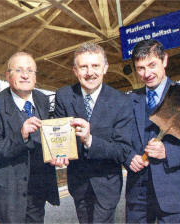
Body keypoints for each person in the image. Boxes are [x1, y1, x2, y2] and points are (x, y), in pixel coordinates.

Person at [53, 43, 133, 223]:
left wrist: (89, 140)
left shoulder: (121, 101)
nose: (90, 72)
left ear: (105, 68)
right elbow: (59, 140)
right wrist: (57, 154)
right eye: (83, 67)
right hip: (78, 183)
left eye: (95, 66)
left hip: (106, 185)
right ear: (75, 70)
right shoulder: (64, 96)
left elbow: (122, 151)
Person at [124, 39, 180, 223]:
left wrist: (169, 152)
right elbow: (119, 140)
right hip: (138, 195)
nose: (147, 73)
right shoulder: (129, 101)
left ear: (164, 60)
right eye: (140, 68)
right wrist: (128, 157)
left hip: (173, 192)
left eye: (152, 65)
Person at [0, 52, 60, 223]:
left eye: (30, 70)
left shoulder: (42, 100)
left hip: (37, 190)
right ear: (7, 76)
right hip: (9, 194)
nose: (25, 75)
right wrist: (20, 136)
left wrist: (59, 153)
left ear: (35, 77)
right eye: (19, 70)